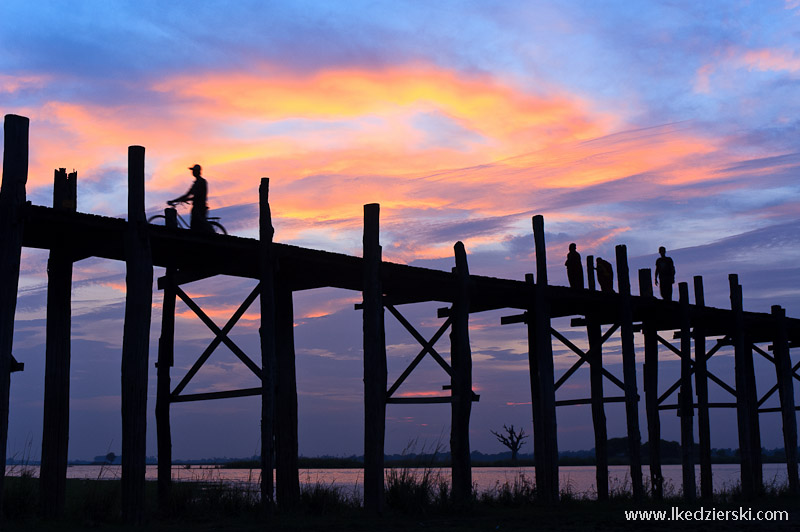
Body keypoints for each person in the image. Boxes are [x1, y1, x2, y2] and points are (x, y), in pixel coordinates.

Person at [169, 164, 210, 232]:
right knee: (194, 226)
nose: (192, 172)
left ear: (198, 172)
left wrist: (186, 199)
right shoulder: (196, 183)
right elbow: (187, 194)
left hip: (200, 207)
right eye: (192, 171)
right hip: (196, 207)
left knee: (198, 225)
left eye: (194, 171)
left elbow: (197, 196)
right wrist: (174, 200)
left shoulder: (201, 182)